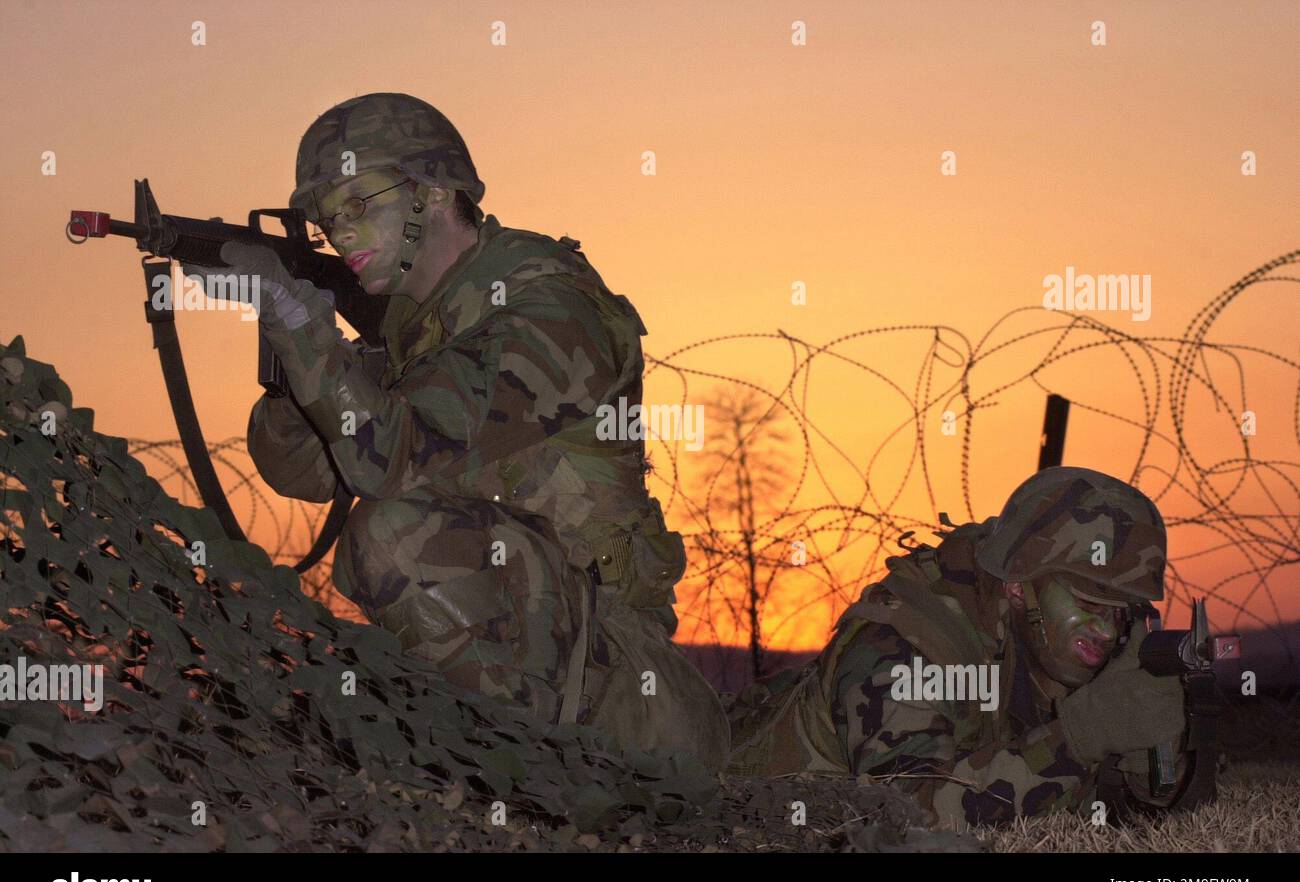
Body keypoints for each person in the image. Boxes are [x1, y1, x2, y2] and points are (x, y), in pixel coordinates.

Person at [200, 92, 729, 770]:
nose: (343, 234)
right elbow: (301, 472)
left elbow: (383, 458)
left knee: (395, 533)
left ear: (438, 190)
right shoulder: (411, 327)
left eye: (361, 204)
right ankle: (480, 780)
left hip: (626, 691)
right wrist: (289, 361)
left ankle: (532, 787)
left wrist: (301, 323)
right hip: (554, 662)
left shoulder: (548, 304)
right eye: (330, 221)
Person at [727, 466, 1187, 827]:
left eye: (1123, 609)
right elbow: (905, 818)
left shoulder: (1047, 640)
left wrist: (1148, 765)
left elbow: (1093, 811)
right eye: (1089, 602)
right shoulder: (904, 645)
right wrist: (1085, 733)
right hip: (731, 805)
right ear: (1015, 584)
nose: (1107, 630)